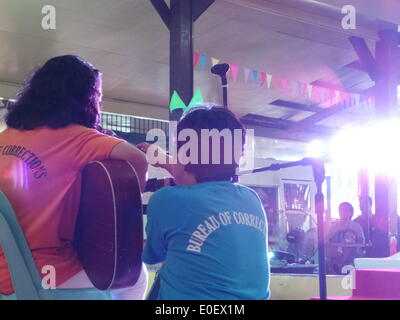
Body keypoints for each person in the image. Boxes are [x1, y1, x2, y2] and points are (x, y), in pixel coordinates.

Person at [0, 55, 148, 299]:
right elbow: (137, 159)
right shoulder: (79, 137)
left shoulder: (6, 136)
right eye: (98, 96)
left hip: (5, 272)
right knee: (134, 275)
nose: (99, 104)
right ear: (86, 97)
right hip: (45, 273)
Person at [139, 105, 270, 300]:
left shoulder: (166, 199)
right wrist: (168, 161)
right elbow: (203, 181)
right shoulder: (251, 198)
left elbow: (152, 255)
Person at [326, 202, 365, 274]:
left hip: (352, 263)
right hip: (335, 264)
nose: (343, 212)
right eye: (341, 210)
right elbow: (327, 243)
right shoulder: (333, 227)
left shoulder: (357, 227)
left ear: (351, 212)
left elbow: (361, 245)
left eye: (346, 210)